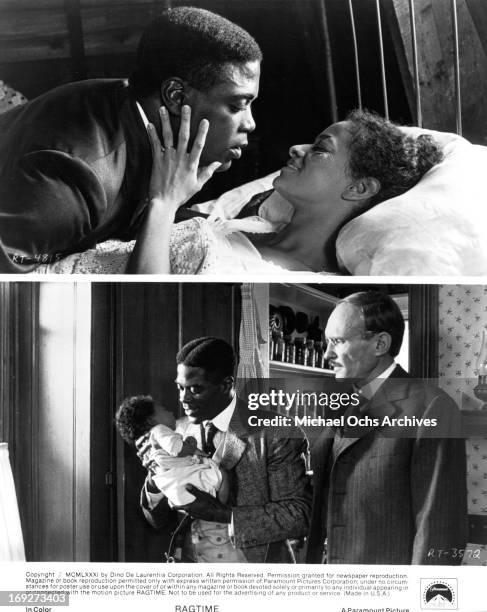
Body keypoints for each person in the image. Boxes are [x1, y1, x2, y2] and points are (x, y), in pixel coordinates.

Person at [0, 6, 262, 272]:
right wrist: (165, 205)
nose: (250, 124)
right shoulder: (75, 181)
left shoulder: (137, 111)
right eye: (237, 105)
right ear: (176, 96)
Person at [306, 291, 468, 565]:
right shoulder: (338, 402)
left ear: (380, 343)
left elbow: (439, 526)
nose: (327, 354)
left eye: (337, 341)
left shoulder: (433, 407)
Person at [140, 337, 311, 563]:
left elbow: (298, 515)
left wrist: (220, 514)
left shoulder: (277, 432)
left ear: (227, 384)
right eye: (180, 388)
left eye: (196, 389)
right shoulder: (176, 430)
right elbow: (158, 520)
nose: (184, 399)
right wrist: (154, 483)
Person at [115, 394, 224, 507]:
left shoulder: (241, 417)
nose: (185, 395)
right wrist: (153, 479)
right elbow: (160, 519)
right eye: (183, 387)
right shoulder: (170, 432)